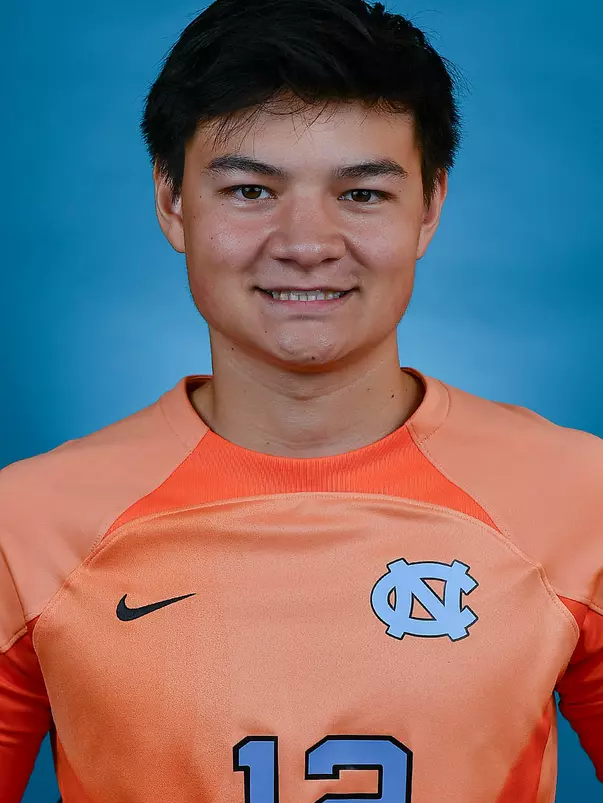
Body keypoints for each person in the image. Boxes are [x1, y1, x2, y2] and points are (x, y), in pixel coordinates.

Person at [1, 0, 601, 800]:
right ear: (172, 203)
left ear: (429, 206)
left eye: (361, 195)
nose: (307, 243)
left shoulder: (577, 496)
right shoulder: (29, 523)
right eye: (251, 190)